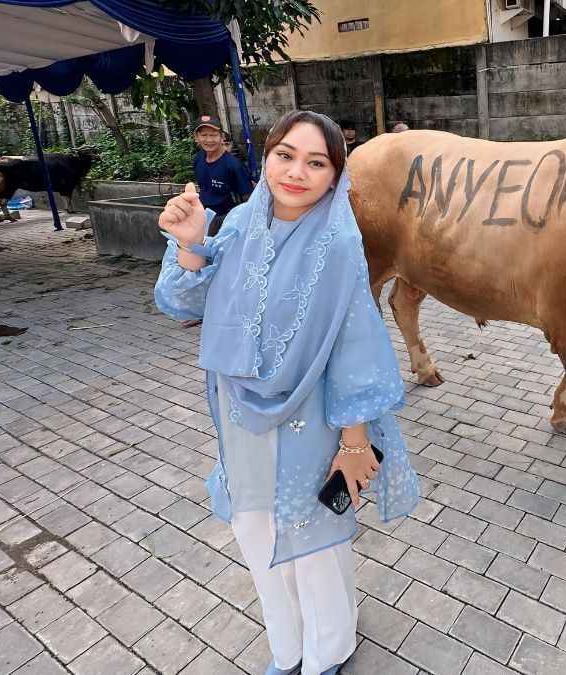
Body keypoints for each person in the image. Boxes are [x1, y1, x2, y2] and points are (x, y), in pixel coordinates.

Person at [155, 110, 421, 675]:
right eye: (285, 155)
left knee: (312, 536)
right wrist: (189, 244)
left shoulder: (339, 245)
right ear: (267, 158)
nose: (297, 171)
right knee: (253, 528)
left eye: (316, 162)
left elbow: (355, 347)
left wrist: (354, 443)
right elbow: (183, 302)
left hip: (311, 418)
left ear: (335, 176)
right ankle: (288, 647)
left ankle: (329, 648)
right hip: (239, 415)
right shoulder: (236, 228)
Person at [192, 115, 254, 235]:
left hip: (227, 219)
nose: (209, 140)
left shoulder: (233, 165)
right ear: (196, 138)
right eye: (204, 135)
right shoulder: (198, 159)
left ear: (222, 137)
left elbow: (248, 198)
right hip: (204, 216)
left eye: (213, 135)